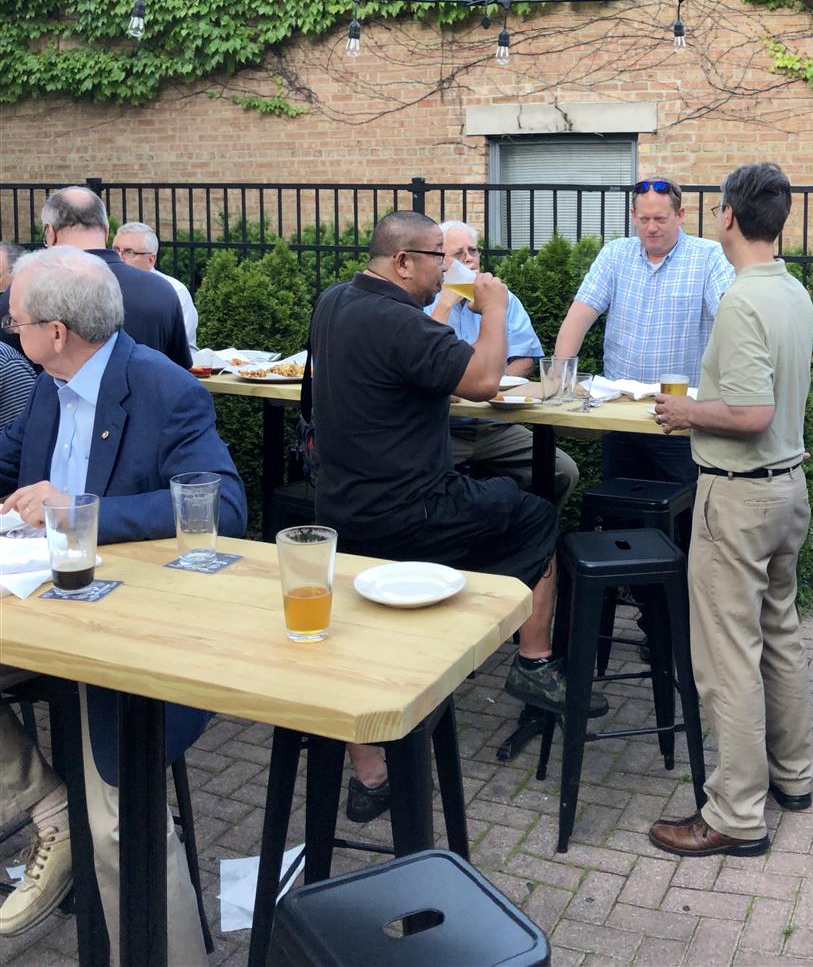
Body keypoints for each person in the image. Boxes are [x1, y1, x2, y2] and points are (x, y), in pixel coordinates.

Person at [0, 246, 246, 959]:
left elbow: (224, 507)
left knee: (114, 822)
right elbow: (9, 463)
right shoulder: (49, 384)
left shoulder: (161, 386)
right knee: (82, 814)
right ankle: (48, 809)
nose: (10, 330)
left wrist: (78, 510)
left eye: (14, 321)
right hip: (41, 613)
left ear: (55, 332)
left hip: (126, 632)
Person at [309, 211, 566, 822]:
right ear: (403, 262)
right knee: (536, 515)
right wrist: (493, 307)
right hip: (413, 510)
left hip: (341, 509)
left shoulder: (334, 302)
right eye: (437, 259)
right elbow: (482, 379)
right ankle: (528, 662)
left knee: (359, 631)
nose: (446, 271)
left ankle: (371, 775)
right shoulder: (399, 320)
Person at [645, 163, 813, 859]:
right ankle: (793, 778)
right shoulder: (792, 290)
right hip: (787, 488)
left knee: (727, 659)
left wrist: (686, 411)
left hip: (739, 495)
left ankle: (737, 815)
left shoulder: (742, 300)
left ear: (727, 217)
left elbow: (750, 412)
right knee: (779, 634)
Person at [553, 178, 732, 491]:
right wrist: (560, 377)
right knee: (620, 506)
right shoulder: (615, 255)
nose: (651, 228)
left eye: (660, 219)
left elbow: (730, 319)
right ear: (633, 215)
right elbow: (578, 317)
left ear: (680, 215)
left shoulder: (709, 257)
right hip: (619, 414)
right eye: (644, 218)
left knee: (681, 507)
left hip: (679, 419)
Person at [426, 219, 578, 507]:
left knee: (562, 471)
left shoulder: (502, 299)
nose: (469, 259)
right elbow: (426, 362)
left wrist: (489, 389)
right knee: (423, 482)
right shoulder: (427, 301)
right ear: (439, 261)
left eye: (473, 250)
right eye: (458, 254)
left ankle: (530, 531)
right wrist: (446, 302)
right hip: (443, 427)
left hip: (495, 423)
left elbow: (524, 360)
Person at [0, 189, 190, 369]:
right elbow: (179, 369)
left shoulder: (22, 291)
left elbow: (9, 370)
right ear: (106, 231)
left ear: (50, 232)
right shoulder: (161, 290)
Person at [112, 222, 198, 351]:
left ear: (151, 260)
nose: (119, 258)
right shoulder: (104, 287)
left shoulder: (175, 291)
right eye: (115, 250)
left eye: (129, 252)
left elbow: (181, 347)